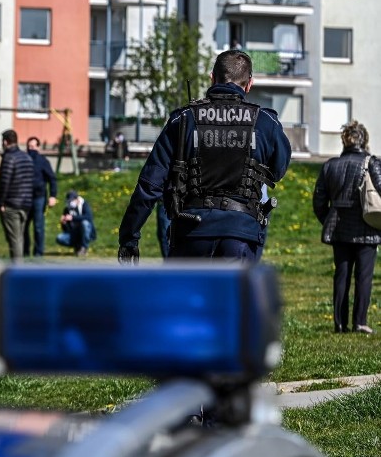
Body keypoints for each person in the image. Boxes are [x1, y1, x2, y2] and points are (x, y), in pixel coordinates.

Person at [117, 49, 292, 264]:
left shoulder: (182, 119)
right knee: (233, 298)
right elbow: (278, 170)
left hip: (191, 232)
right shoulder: (266, 122)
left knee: (183, 298)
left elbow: (149, 185)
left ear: (212, 78)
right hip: (241, 235)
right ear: (249, 84)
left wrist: (129, 237)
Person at [313, 120, 381, 334]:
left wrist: (328, 219)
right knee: (364, 276)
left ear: (344, 140)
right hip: (367, 226)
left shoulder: (330, 165)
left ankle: (339, 323)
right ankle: (360, 322)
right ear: (365, 140)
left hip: (338, 226)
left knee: (341, 275)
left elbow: (318, 202)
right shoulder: (373, 163)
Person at [0, 129, 34, 261]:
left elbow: (4, 182)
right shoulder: (27, 157)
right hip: (26, 204)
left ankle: (17, 269)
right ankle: (20, 265)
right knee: (20, 237)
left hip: (12, 204)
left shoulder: (9, 158)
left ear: (5, 142)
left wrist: (0, 203)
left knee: (14, 240)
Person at [23, 136, 58, 257]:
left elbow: (52, 179)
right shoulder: (23, 160)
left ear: (38, 147)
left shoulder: (43, 161)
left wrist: (53, 195)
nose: (31, 149)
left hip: (39, 198)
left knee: (38, 227)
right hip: (25, 199)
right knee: (23, 227)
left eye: (33, 146)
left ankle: (38, 253)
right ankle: (25, 252)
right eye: (29, 147)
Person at [56, 190, 96, 257]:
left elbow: (89, 217)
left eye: (72, 200)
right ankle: (77, 246)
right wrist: (63, 223)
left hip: (85, 232)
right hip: (74, 233)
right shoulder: (67, 209)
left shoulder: (84, 205)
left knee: (84, 223)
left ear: (77, 199)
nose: (70, 203)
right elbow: (65, 229)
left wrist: (72, 218)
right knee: (59, 238)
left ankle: (84, 247)